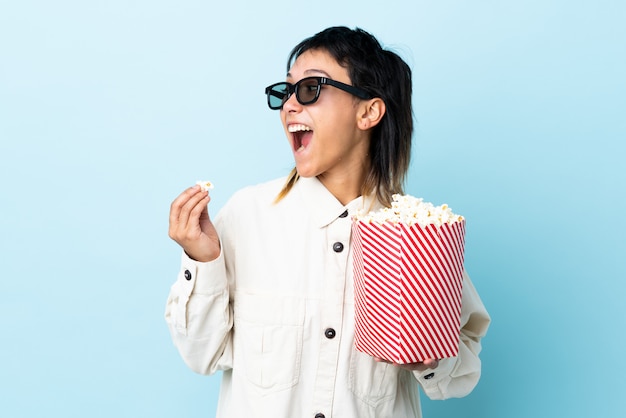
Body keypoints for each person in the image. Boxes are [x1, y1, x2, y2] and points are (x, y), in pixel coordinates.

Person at [165, 26, 490, 418]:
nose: (289, 106)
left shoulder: (416, 236)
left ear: (368, 111)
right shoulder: (246, 214)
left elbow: (462, 373)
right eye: (286, 92)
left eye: (310, 89)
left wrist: (427, 358)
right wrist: (203, 261)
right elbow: (202, 355)